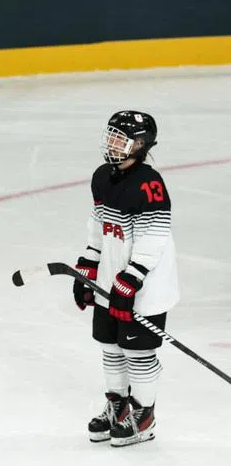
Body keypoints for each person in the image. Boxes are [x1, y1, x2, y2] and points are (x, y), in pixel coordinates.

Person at [73, 111, 177, 446]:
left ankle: (143, 414)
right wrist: (89, 264)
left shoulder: (149, 185)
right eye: (112, 136)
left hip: (145, 286)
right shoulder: (103, 176)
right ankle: (117, 406)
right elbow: (99, 226)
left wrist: (131, 280)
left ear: (141, 145)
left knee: (138, 353)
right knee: (110, 345)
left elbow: (153, 239)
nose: (113, 143)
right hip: (110, 278)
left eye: (121, 138)